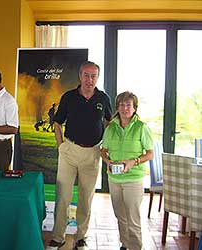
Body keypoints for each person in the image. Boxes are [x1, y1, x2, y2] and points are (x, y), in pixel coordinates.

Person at [46, 61, 112, 250]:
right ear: (80, 76)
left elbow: (110, 123)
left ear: (97, 78)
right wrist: (61, 146)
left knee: (86, 197)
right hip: (69, 152)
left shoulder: (103, 98)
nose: (89, 80)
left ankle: (81, 237)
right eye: (86, 75)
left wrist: (104, 147)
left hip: (92, 153)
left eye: (93, 76)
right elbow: (57, 123)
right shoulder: (69, 97)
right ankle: (58, 237)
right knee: (63, 196)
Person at [100, 91, 154, 250]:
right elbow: (103, 150)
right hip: (114, 179)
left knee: (133, 218)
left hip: (133, 180)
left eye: (128, 105)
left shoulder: (141, 127)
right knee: (120, 216)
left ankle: (136, 247)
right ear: (117, 107)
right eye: (121, 105)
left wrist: (134, 161)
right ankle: (125, 245)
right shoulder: (111, 128)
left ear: (134, 108)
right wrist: (107, 160)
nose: (125, 108)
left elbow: (150, 154)